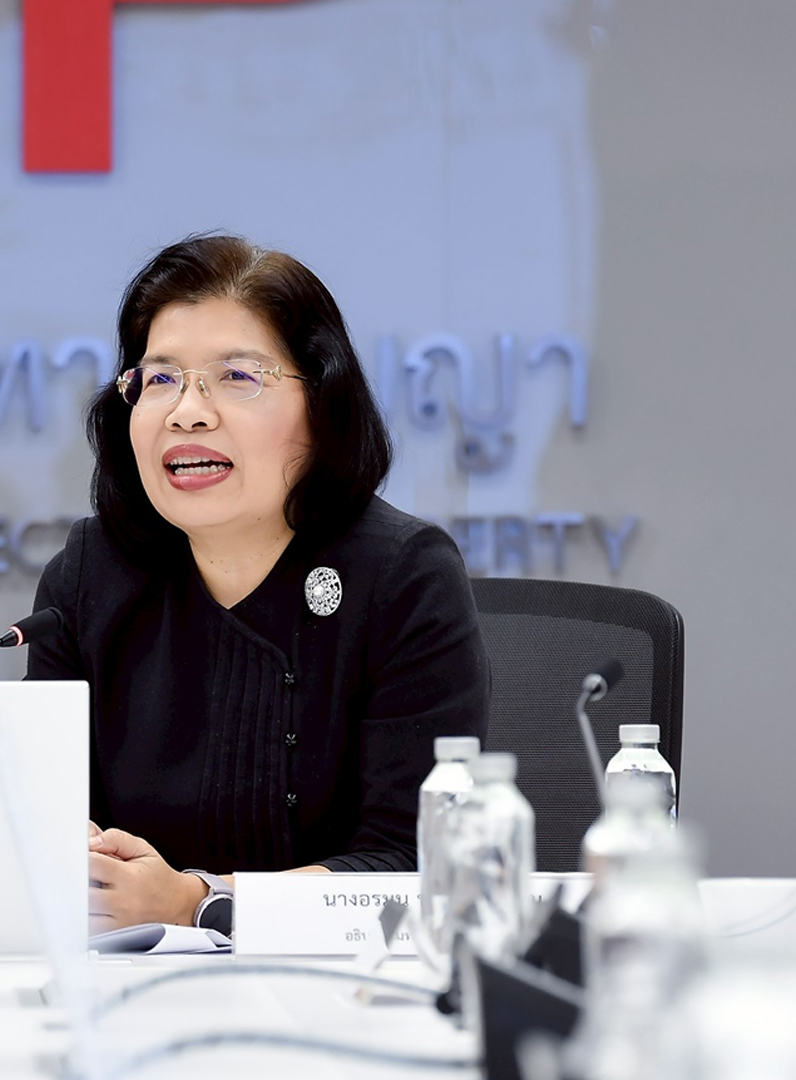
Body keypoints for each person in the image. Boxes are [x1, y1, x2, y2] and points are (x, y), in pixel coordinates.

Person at [28, 235, 488, 934]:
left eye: (237, 377)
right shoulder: (91, 574)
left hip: (348, 982)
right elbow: (42, 819)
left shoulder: (403, 576)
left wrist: (199, 903)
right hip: (120, 978)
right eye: (160, 379)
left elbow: (414, 863)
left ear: (322, 404)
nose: (187, 411)